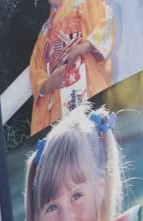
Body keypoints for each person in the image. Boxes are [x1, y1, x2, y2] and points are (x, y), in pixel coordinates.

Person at [29, 0, 115, 136]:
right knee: (67, 142)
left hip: (88, 81)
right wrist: (47, 84)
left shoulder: (86, 2)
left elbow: (106, 20)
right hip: (59, 97)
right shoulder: (44, 32)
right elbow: (35, 71)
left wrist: (86, 45)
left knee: (95, 134)